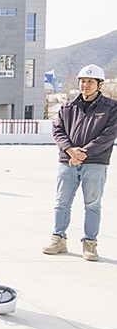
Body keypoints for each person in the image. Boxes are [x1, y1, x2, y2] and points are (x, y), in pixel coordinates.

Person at [45, 64, 117, 261]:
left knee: (92, 204)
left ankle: (90, 244)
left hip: (95, 163)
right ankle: (58, 239)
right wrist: (70, 150)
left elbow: (109, 135)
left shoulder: (111, 107)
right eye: (82, 81)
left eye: (90, 82)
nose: (85, 85)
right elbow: (58, 130)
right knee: (61, 202)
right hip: (67, 161)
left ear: (99, 84)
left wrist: (84, 153)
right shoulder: (68, 106)